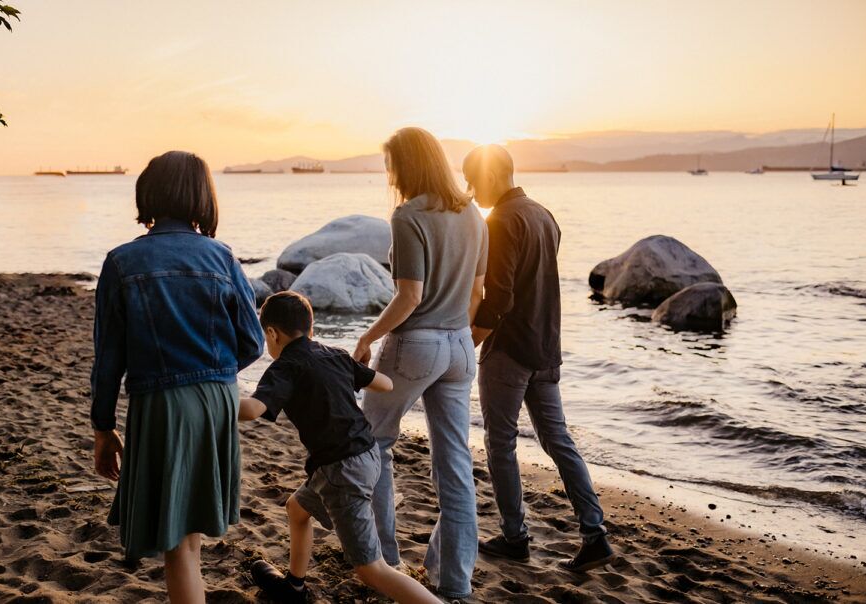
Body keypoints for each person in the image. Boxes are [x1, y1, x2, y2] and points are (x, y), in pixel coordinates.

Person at [90, 150, 265, 603]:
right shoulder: (222, 257)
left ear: (148, 191)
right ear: (202, 195)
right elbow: (253, 342)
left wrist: (103, 428)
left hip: (163, 401)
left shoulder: (122, 262)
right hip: (218, 399)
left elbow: (108, 359)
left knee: (179, 543)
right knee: (190, 535)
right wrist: (214, 373)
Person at [463, 144, 613, 571]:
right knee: (559, 441)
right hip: (546, 346)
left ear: (493, 175)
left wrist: (469, 343)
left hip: (510, 350)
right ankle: (594, 534)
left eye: (473, 181)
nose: (471, 191)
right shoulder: (544, 215)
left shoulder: (500, 221)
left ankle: (515, 537)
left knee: (500, 444)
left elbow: (500, 297)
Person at [353, 127, 488, 600]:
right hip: (460, 346)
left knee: (372, 442)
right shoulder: (473, 213)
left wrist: (367, 338)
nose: (389, 174)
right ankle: (455, 582)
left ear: (407, 165)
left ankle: (385, 563)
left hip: (417, 343)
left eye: (391, 164)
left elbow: (410, 296)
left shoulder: (408, 215)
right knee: (454, 461)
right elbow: (478, 292)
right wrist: (456, 333)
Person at [238, 292, 441, 604]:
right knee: (297, 509)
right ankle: (294, 586)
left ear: (272, 333)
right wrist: (356, 368)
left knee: (371, 570)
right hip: (366, 454)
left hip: (340, 469)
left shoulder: (286, 366)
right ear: (311, 328)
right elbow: (385, 384)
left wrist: (214, 399)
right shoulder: (335, 354)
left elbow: (253, 409)